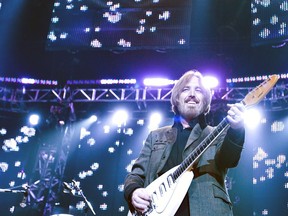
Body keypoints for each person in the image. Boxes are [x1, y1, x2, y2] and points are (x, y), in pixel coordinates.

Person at [124, 70, 246, 216]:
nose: (192, 94)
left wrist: (237, 129)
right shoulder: (155, 136)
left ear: (206, 101)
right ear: (176, 98)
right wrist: (134, 191)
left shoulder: (217, 134)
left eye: (198, 90)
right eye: (186, 89)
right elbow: (136, 175)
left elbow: (229, 159)